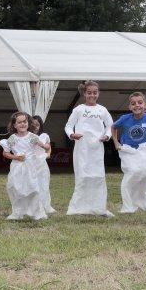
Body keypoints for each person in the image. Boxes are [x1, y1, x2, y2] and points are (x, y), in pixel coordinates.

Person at [64, 80, 114, 217]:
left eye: (95, 93)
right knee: (82, 175)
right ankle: (79, 207)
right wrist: (72, 134)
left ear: (98, 93)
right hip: (82, 147)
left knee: (98, 176)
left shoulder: (102, 110)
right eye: (89, 93)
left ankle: (98, 207)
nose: (92, 95)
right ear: (84, 94)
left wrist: (107, 136)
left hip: (97, 147)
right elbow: (68, 126)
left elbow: (110, 125)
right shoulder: (78, 109)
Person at [1, 112, 49, 220]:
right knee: (17, 188)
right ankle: (18, 212)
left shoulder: (32, 137)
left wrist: (46, 145)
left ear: (28, 123)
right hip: (17, 167)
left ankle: (36, 212)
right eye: (19, 122)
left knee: (33, 188)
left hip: (31, 167)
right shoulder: (12, 138)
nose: (22, 124)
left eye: (25, 122)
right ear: (14, 125)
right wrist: (16, 157)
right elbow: (5, 153)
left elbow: (44, 146)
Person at [30, 115, 55, 214]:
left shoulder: (44, 135)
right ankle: (33, 205)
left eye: (37, 124)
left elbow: (48, 147)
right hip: (31, 163)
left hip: (42, 163)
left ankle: (45, 205)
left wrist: (48, 154)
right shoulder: (28, 136)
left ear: (40, 125)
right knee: (32, 184)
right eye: (33, 124)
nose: (35, 126)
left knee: (43, 183)